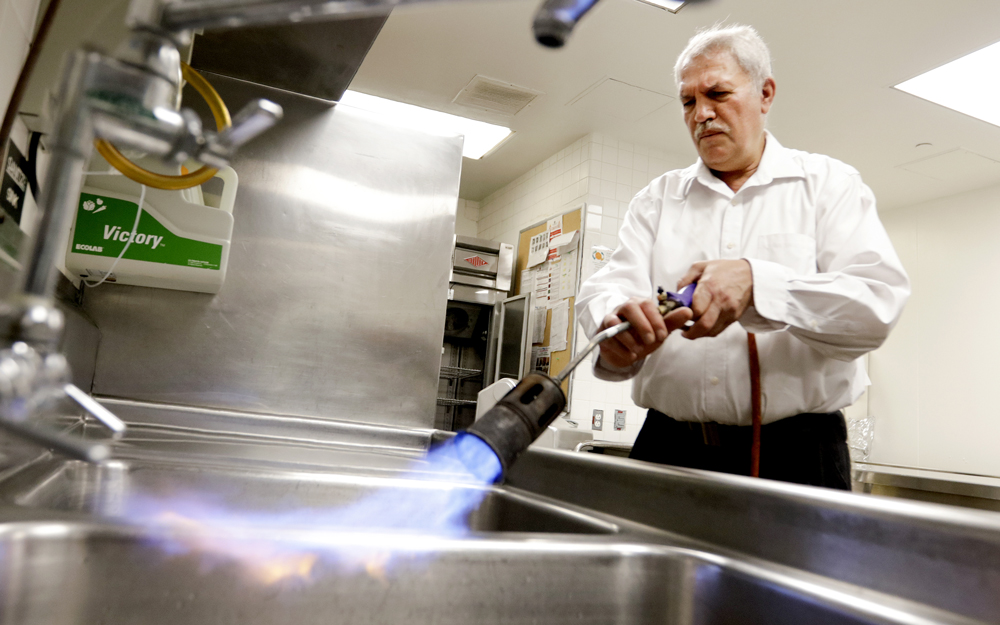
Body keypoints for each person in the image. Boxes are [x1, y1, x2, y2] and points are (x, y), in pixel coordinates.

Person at [574, 24, 910, 490]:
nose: (702, 115)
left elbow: (876, 305)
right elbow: (606, 289)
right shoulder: (656, 201)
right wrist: (613, 326)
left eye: (717, 93)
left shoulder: (829, 185)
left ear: (765, 93)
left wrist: (760, 283)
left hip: (798, 456)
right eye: (688, 102)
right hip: (669, 448)